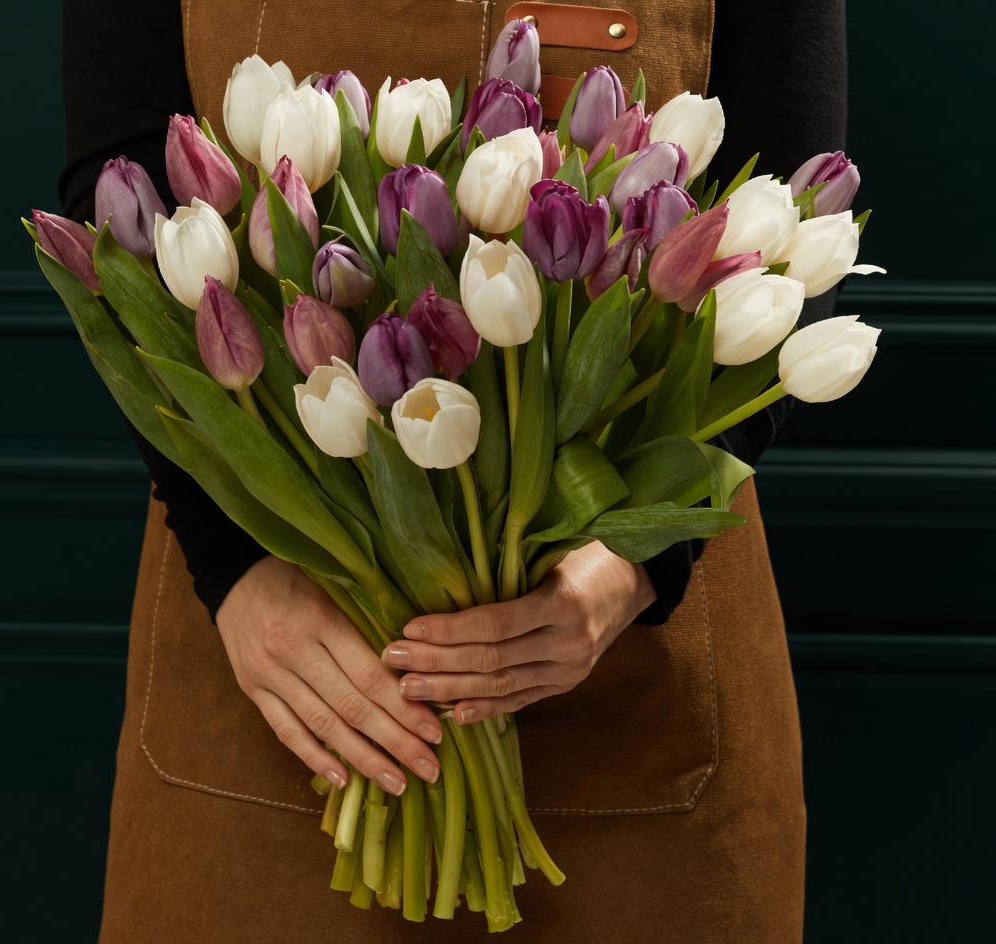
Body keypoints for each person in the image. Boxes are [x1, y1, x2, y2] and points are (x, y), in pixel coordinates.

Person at [60, 1, 847, 940]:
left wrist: (633, 568)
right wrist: (235, 570)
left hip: (633, 685)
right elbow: (124, 203)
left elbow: (787, 246)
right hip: (282, 674)